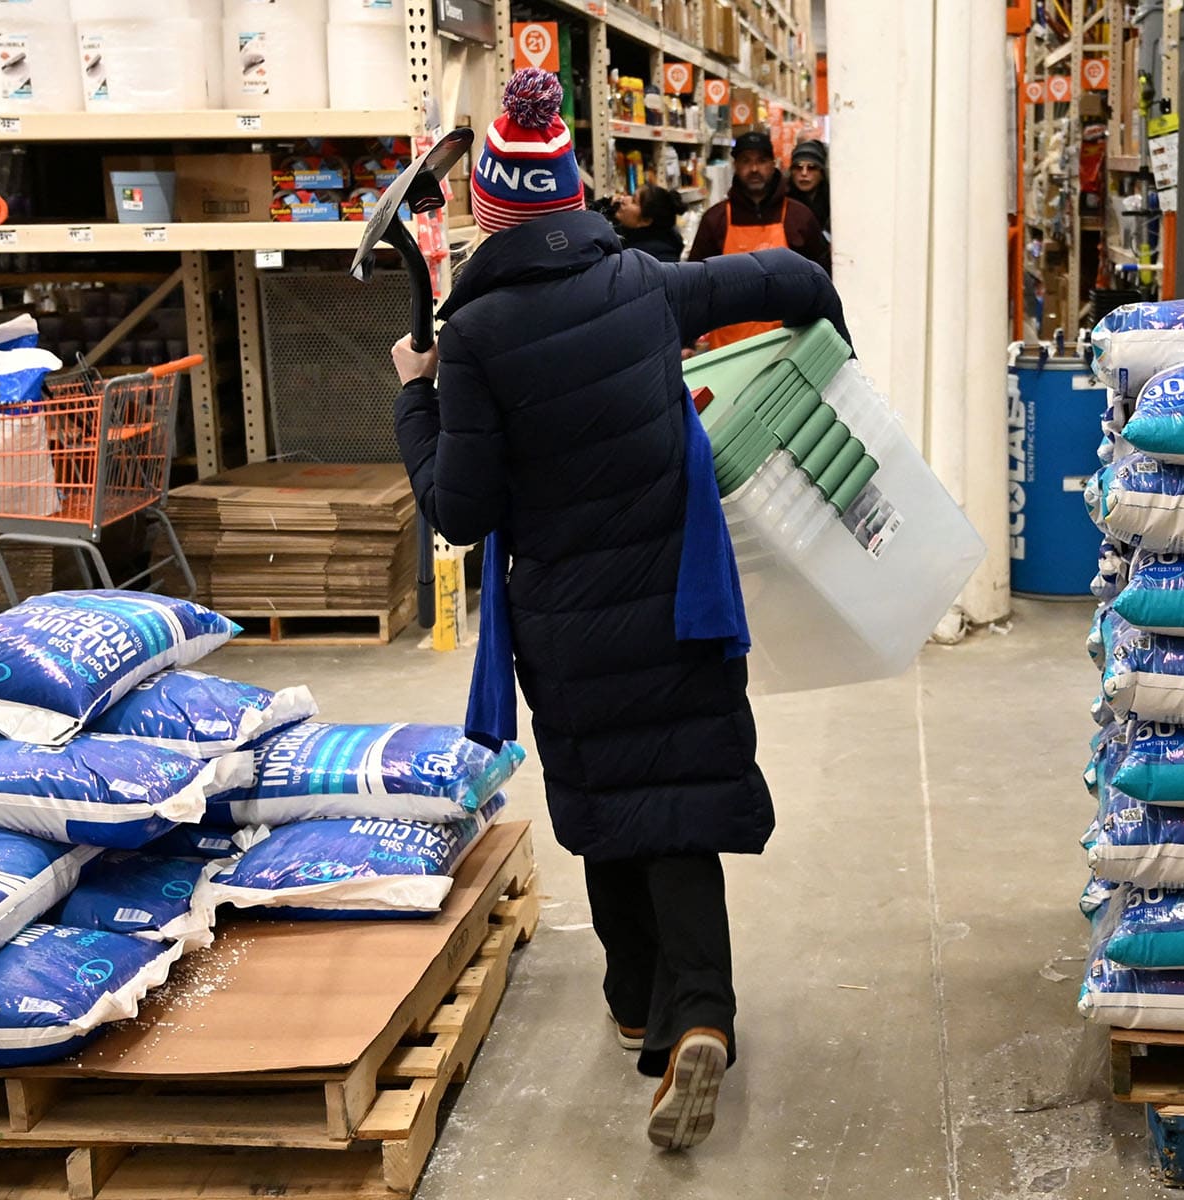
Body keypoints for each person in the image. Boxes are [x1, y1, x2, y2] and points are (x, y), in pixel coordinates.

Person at [389, 69, 851, 1152]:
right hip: (679, 603)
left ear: (490, 212)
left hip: (567, 622)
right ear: (574, 202)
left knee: (606, 803)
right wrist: (838, 369)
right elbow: (788, 274)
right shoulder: (647, 284)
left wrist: (418, 392)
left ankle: (639, 1002)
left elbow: (461, 510)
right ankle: (701, 1016)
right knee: (681, 796)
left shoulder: (481, 340)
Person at [686, 129, 830, 349]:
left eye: (761, 161)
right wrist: (686, 339)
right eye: (746, 161)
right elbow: (692, 285)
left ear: (773, 164)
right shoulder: (716, 220)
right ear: (735, 165)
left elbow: (823, 280)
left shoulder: (798, 217)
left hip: (789, 349)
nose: (754, 169)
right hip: (729, 351)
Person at [609, 184, 689, 262]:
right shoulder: (630, 235)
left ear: (646, 221)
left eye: (633, 201)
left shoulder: (645, 260)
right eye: (631, 195)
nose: (624, 199)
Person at [787, 139, 830, 240]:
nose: (804, 173)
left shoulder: (833, 204)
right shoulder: (783, 203)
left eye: (812, 167)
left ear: (822, 174)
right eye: (798, 167)